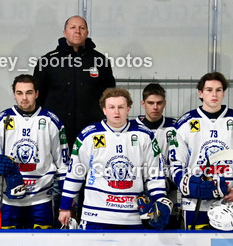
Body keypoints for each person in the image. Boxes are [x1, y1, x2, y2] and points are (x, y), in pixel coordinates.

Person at [59, 88, 169, 230]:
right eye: (111, 107)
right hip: (96, 215)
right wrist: (65, 207)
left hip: (133, 217)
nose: (116, 112)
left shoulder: (144, 135)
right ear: (104, 109)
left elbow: (154, 174)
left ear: (128, 108)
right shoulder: (88, 136)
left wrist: (160, 201)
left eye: (121, 107)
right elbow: (75, 173)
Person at [169, 73, 233, 229]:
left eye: (218, 90)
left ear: (223, 93)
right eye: (209, 90)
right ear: (200, 93)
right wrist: (189, 186)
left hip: (232, 204)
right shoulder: (185, 123)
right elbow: (176, 163)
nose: (214, 94)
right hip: (195, 205)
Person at [0, 75, 68, 229]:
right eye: (19, 93)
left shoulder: (51, 121)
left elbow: (63, 165)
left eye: (29, 92)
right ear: (14, 94)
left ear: (37, 93)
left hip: (41, 201)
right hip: (7, 201)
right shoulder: (2, 120)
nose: (24, 98)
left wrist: (66, 202)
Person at [33, 15, 116, 147]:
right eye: (73, 27)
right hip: (56, 130)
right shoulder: (47, 61)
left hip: (93, 130)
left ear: (87, 33)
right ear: (65, 33)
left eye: (82, 28)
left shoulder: (100, 61)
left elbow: (111, 96)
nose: (77, 31)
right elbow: (37, 97)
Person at [136, 82, 180, 225]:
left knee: (168, 227)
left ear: (164, 103)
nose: (155, 107)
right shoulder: (132, 128)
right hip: (139, 191)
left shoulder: (176, 127)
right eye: (150, 103)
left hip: (169, 190)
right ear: (143, 103)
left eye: (159, 103)